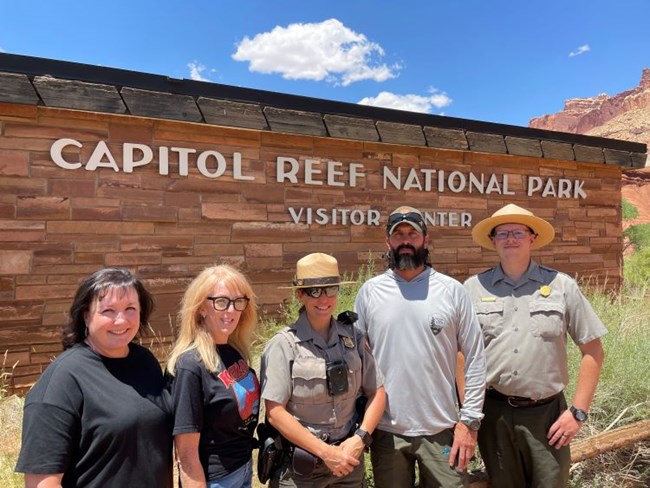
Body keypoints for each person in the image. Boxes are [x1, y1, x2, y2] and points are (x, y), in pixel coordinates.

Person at [464, 203, 607, 488]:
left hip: (548, 417)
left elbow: (593, 351)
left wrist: (578, 412)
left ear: (532, 238)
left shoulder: (562, 286)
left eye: (518, 231)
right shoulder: (472, 289)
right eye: (502, 233)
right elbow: (461, 354)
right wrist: (468, 414)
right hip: (495, 415)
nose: (510, 238)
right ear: (492, 241)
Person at [354, 205, 486, 488]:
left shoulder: (452, 291)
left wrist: (470, 422)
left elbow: (475, 357)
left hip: (442, 430)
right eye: (398, 234)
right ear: (388, 242)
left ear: (425, 240)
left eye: (412, 234)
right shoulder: (370, 293)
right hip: (387, 432)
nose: (405, 241)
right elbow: (359, 361)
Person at [15, 267, 173, 488]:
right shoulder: (63, 379)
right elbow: (41, 482)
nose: (121, 320)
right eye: (108, 310)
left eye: (130, 308)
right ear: (86, 315)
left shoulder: (146, 362)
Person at [260, 252, 386, 487]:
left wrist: (360, 438)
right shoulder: (283, 345)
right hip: (301, 471)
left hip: (348, 463)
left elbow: (378, 392)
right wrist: (326, 453)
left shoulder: (354, 338)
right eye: (315, 291)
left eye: (331, 290)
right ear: (300, 294)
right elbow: (275, 412)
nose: (324, 298)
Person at [166, 264, 260, 488]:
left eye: (238, 302)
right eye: (221, 302)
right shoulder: (190, 366)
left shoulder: (233, 350)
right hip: (215, 479)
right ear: (201, 308)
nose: (231, 310)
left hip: (243, 467)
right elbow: (185, 453)